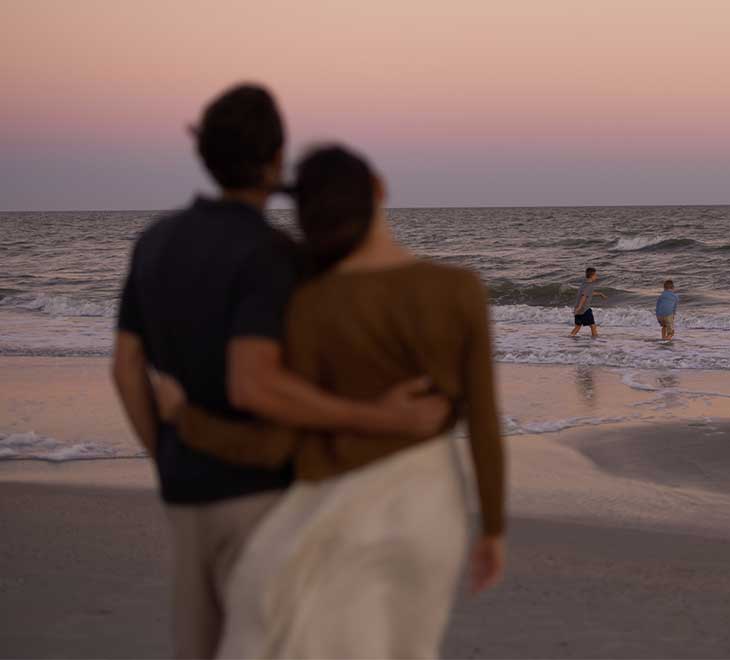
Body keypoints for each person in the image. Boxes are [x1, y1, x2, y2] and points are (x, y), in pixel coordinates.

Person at [110, 84, 451, 659]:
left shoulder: (154, 243)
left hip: (184, 491)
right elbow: (255, 382)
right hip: (262, 495)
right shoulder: (270, 254)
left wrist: (167, 455)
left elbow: (125, 370)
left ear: (206, 154)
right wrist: (377, 414)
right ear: (274, 159)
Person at [156, 145, 506, 658]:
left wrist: (183, 416)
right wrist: (493, 528)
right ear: (380, 188)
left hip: (340, 508)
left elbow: (277, 441)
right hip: (432, 509)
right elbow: (484, 422)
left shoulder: (310, 304)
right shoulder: (458, 288)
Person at [569, 267, 607, 337]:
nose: (596, 277)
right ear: (592, 276)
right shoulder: (590, 285)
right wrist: (580, 307)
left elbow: (588, 293)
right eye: (595, 275)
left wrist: (600, 294)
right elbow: (584, 296)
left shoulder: (584, 283)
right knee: (593, 326)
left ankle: (570, 337)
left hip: (578, 309)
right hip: (584, 309)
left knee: (577, 326)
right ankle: (595, 340)